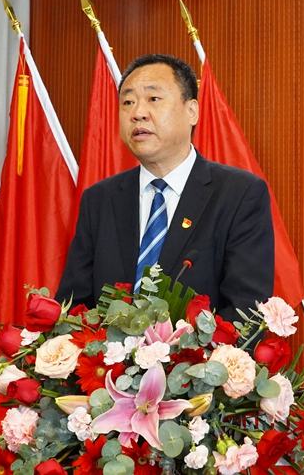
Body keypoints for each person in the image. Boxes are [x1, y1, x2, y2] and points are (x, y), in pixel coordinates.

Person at [56, 53, 274, 321]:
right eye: (128, 102)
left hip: (203, 350)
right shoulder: (100, 199)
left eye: (153, 99)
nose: (138, 113)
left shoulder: (239, 194)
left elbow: (246, 311)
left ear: (191, 111)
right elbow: (74, 308)